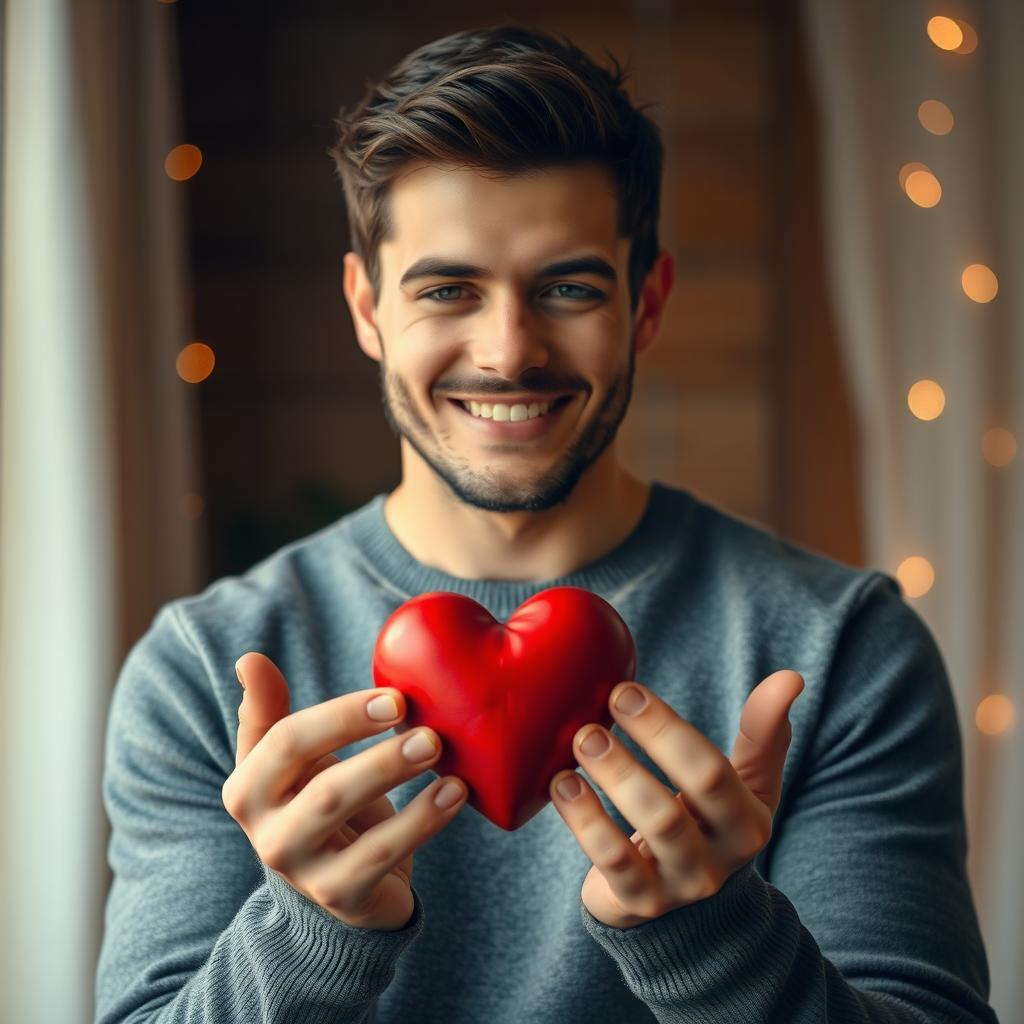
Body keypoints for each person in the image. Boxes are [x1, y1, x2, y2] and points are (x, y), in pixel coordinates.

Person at [94, 23, 998, 1024]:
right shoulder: (201, 668)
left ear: (646, 306)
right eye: (447, 290)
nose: (510, 350)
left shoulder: (841, 645)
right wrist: (308, 930)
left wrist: (711, 935)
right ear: (366, 309)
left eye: (567, 288)